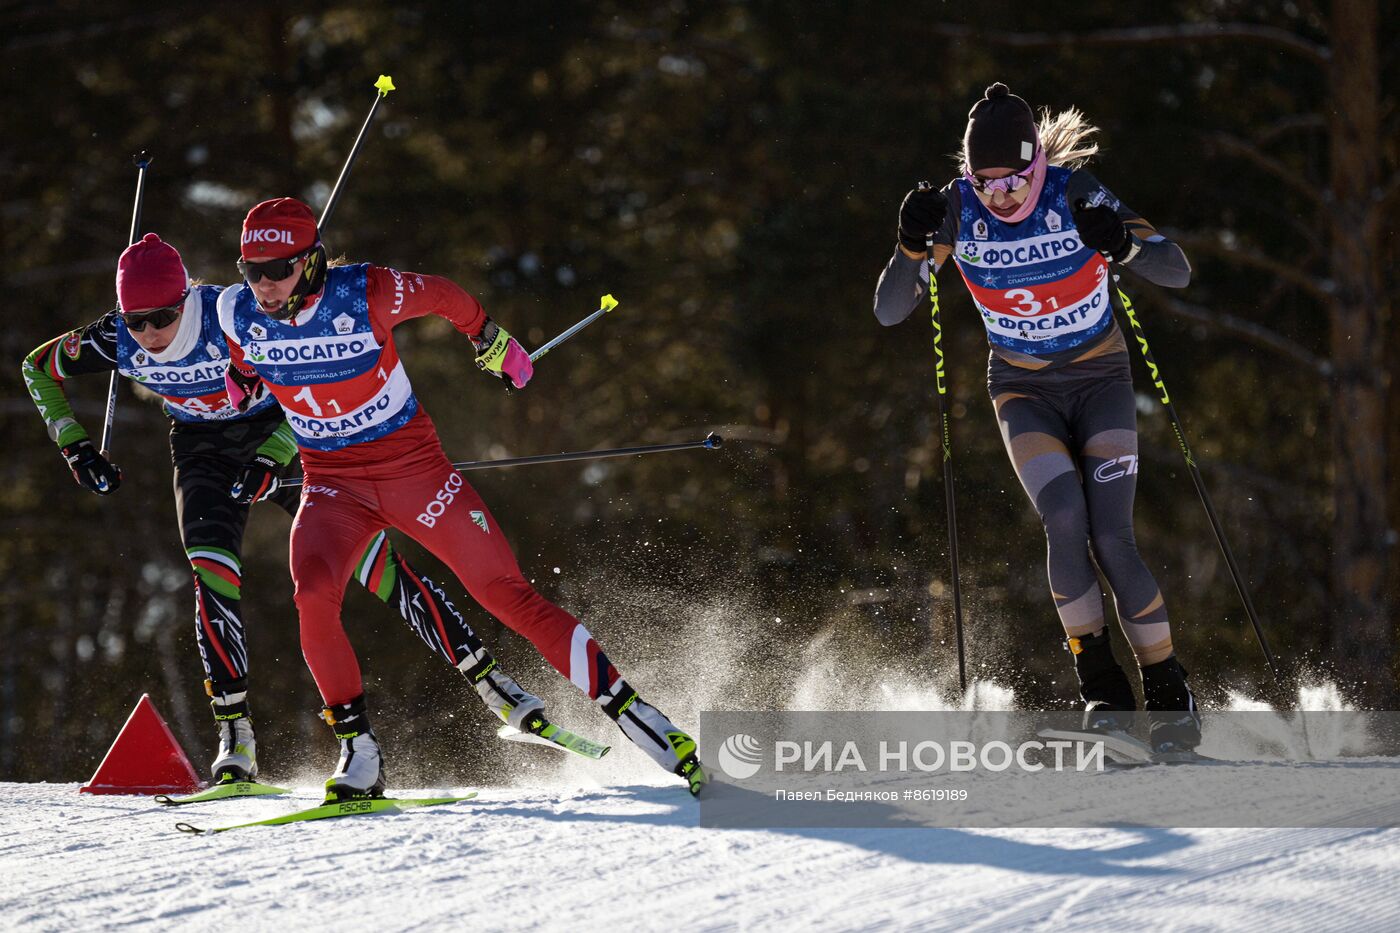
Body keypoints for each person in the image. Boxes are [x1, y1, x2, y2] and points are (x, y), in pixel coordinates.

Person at [22, 233, 558, 784]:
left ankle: (494, 685)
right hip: (201, 449)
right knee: (211, 573)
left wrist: (273, 458)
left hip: (284, 433)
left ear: (187, 298)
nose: (151, 334)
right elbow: (36, 368)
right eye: (136, 321)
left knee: (376, 569)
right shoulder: (115, 340)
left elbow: (306, 380)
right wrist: (75, 446)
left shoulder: (235, 312)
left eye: (162, 316)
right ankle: (236, 740)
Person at [218, 198, 706, 798]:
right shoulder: (236, 311)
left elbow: (448, 295)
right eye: (251, 270)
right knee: (313, 596)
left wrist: (491, 340)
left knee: (504, 594)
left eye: (278, 269)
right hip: (331, 483)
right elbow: (242, 363)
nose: (263, 284)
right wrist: (242, 386)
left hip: (413, 471)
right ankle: (359, 753)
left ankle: (639, 716)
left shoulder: (368, 292)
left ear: (313, 262)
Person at [872, 83, 1200, 753]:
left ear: (1037, 165)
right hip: (1024, 390)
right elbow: (889, 309)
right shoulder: (957, 212)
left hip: (1100, 379)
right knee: (1065, 521)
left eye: (1013, 180)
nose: (1000, 196)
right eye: (983, 182)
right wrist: (910, 246)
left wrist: (1125, 247)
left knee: (1112, 536)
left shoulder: (1076, 195)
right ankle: (1103, 692)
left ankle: (1169, 691)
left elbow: (1179, 270)